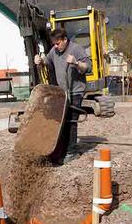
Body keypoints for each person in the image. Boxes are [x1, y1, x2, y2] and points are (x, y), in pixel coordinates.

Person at [34, 28, 92, 164]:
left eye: (58, 43)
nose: (55, 46)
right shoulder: (54, 51)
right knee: (62, 121)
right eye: (54, 43)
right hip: (63, 91)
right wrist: (40, 61)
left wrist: (76, 63)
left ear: (65, 39)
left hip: (76, 90)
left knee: (71, 120)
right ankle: (61, 149)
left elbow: (88, 67)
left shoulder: (76, 49)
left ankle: (72, 151)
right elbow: (47, 61)